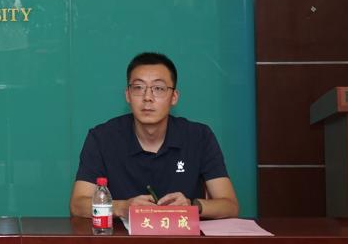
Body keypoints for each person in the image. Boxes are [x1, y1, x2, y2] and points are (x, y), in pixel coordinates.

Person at [70, 52, 239, 220]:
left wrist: (193, 206)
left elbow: (230, 205)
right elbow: (77, 205)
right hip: (122, 236)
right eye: (138, 88)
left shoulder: (199, 137)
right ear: (128, 95)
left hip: (182, 235)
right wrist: (122, 207)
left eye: (158, 89)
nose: (148, 98)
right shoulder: (102, 138)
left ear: (174, 97)